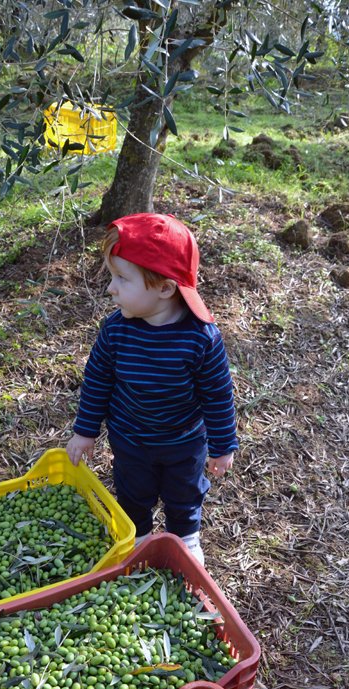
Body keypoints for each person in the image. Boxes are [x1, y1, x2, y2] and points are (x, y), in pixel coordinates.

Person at [66, 212, 237, 565]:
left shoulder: (201, 339)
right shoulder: (116, 330)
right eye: (111, 276)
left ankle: (184, 540)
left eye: (121, 279)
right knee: (132, 493)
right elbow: (98, 380)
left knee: (184, 495)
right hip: (130, 439)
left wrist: (222, 446)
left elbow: (217, 395)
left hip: (184, 441)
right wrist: (85, 431)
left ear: (164, 288)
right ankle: (139, 538)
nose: (110, 288)